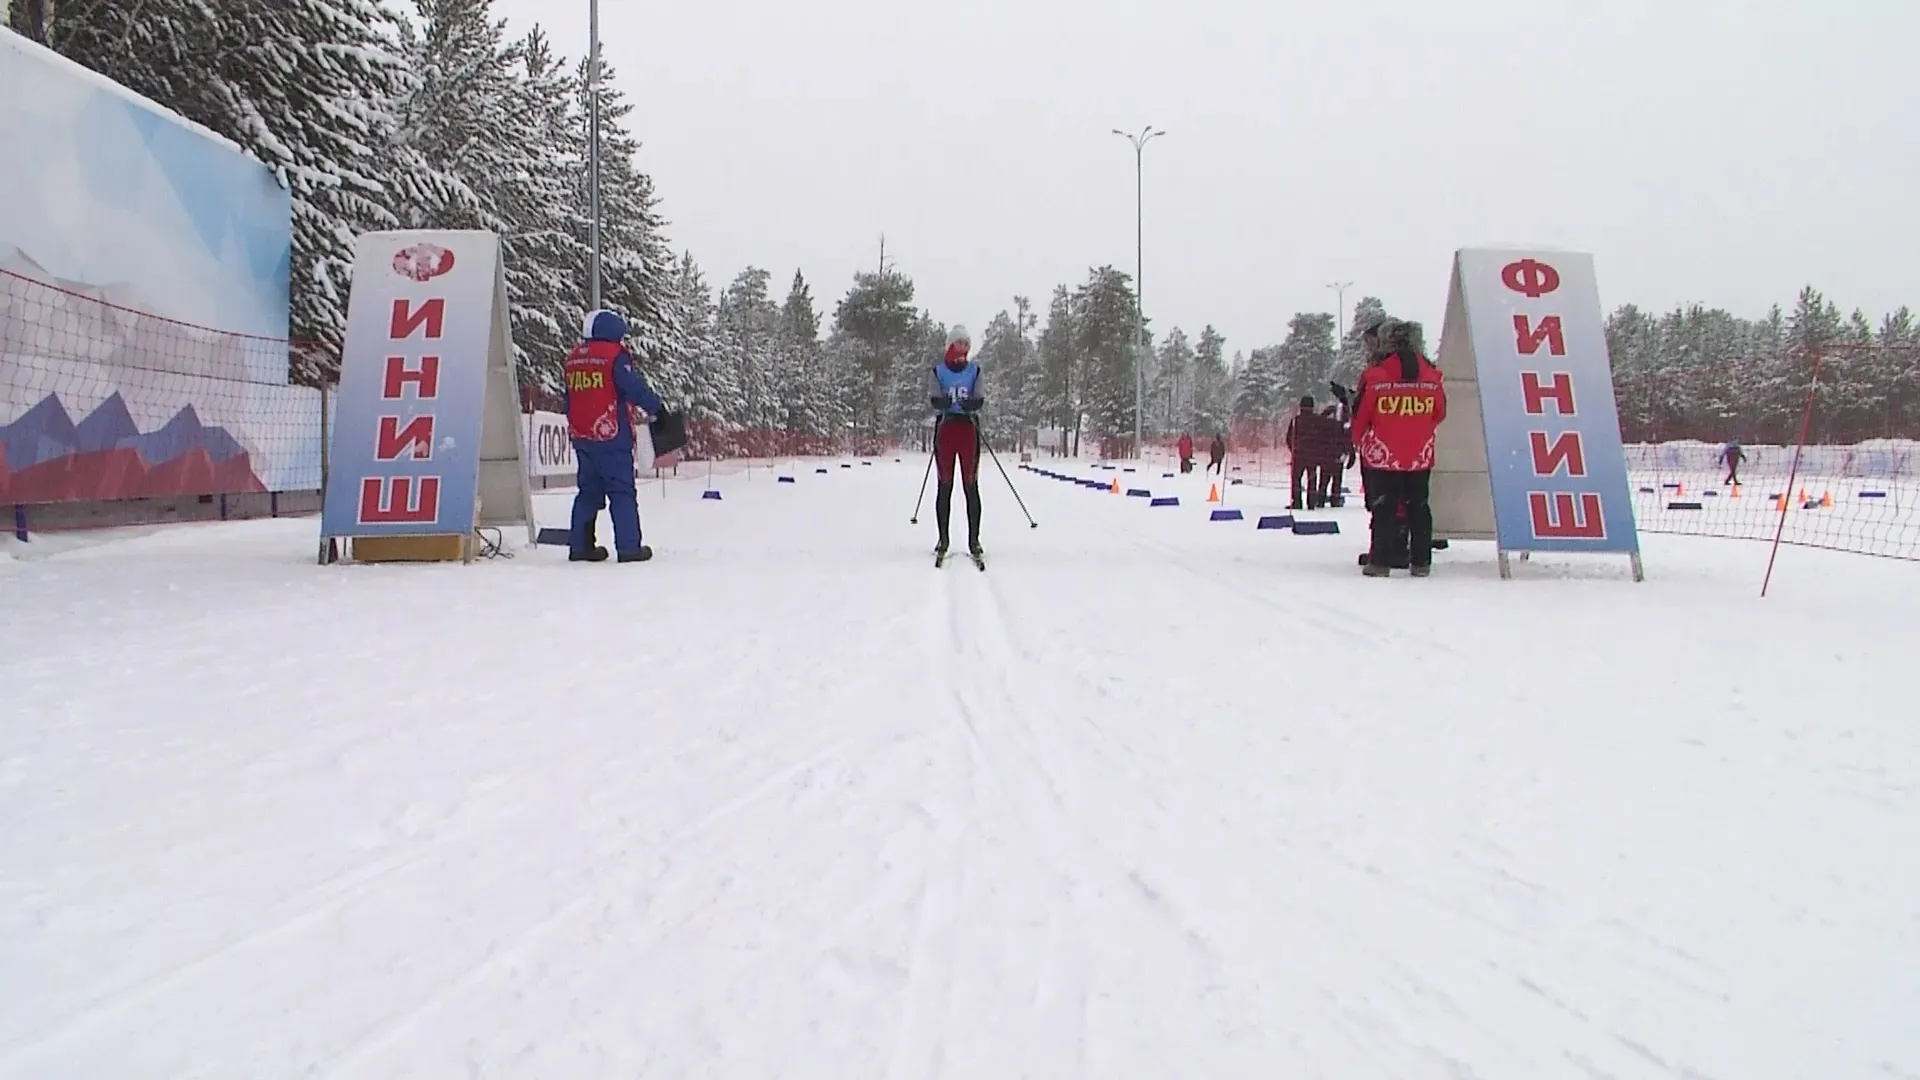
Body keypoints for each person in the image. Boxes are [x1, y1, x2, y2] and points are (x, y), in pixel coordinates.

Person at [564, 308, 667, 563]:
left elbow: (568, 396)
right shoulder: (614, 357)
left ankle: (580, 546)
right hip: (611, 434)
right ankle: (629, 548)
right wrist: (657, 409)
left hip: (582, 434)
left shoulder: (574, 358)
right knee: (621, 491)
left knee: (587, 491)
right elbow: (632, 387)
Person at [1351, 317, 1446, 577]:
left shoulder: (1376, 377)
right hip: (1420, 455)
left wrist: (1359, 440)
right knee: (1419, 505)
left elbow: (1361, 416)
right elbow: (1440, 413)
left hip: (1383, 455)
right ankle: (1421, 561)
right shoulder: (1432, 376)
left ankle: (1380, 561)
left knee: (1384, 506)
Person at [928, 327, 985, 557]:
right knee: (945, 484)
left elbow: (979, 396)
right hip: (946, 429)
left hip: (968, 430)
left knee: (970, 485)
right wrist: (941, 403)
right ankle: (943, 539)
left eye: (966, 344)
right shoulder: (938, 370)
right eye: (959, 343)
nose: (962, 348)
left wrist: (973, 404)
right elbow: (933, 396)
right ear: (950, 346)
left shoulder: (975, 370)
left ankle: (974, 541)